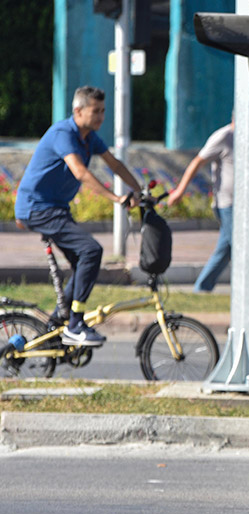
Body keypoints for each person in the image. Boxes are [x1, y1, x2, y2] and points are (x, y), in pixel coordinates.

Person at [14, 85, 143, 346]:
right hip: (37, 207)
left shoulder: (90, 138)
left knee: (84, 264)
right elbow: (80, 172)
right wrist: (116, 198)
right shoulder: (64, 133)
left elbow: (114, 164)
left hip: (56, 208)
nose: (101, 117)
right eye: (96, 111)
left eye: (103, 111)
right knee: (91, 251)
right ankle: (75, 323)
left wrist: (139, 190)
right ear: (78, 111)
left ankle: (53, 328)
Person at [167, 119, 234, 292]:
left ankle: (202, 288)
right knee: (240, 248)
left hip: (241, 206)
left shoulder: (248, 137)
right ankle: (204, 287)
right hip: (228, 204)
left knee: (226, 249)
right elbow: (197, 162)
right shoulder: (223, 136)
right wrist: (180, 191)